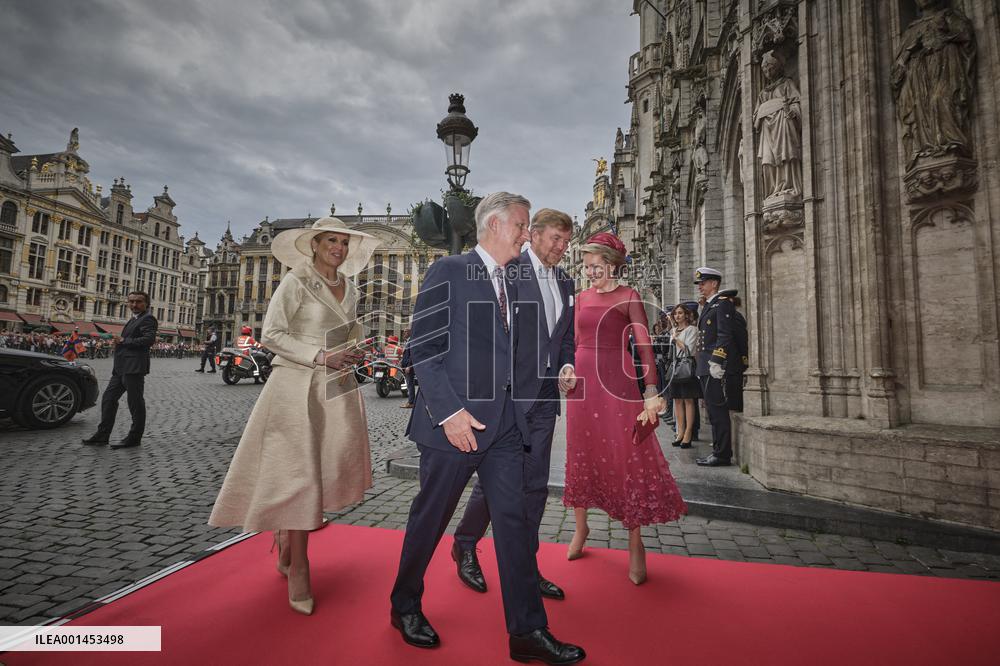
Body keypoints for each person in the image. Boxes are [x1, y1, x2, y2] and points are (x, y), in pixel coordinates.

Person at [390, 192, 585, 664]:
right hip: (453, 427)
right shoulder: (450, 270)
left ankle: (527, 631)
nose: (526, 234)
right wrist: (449, 413)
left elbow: (521, 354)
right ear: (495, 225)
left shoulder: (515, 283)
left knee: (513, 523)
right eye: (521, 225)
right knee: (431, 518)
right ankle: (404, 604)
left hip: (505, 428)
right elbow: (424, 348)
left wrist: (553, 377)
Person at [209, 217, 379, 616]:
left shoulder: (350, 286)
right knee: (298, 473)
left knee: (323, 466)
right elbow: (272, 334)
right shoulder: (296, 281)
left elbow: (347, 333)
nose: (338, 248)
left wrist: (355, 349)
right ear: (314, 244)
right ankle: (299, 566)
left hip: (336, 388)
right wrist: (319, 355)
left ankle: (286, 543)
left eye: (344, 242)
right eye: (331, 240)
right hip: (296, 387)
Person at [452, 207, 575, 603]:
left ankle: (526, 567)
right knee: (498, 481)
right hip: (510, 396)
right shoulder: (508, 272)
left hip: (545, 398)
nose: (561, 247)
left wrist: (567, 364)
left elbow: (564, 338)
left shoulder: (566, 282)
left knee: (535, 485)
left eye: (566, 241)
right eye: (555, 238)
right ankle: (465, 543)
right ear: (534, 235)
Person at [563, 233, 687, 585]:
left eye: (595, 266)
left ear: (613, 265)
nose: (589, 272)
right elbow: (572, 343)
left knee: (626, 456)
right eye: (586, 266)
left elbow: (644, 346)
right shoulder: (581, 298)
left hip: (617, 382)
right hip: (582, 385)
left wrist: (651, 391)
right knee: (582, 452)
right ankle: (581, 528)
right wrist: (565, 370)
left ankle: (635, 543)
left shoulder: (629, 296)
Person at [82, 291, 158, 449]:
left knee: (135, 403)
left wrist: (123, 340)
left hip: (134, 367)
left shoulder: (148, 318)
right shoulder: (133, 319)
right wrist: (120, 342)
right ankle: (103, 435)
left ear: (146, 304)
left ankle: (134, 438)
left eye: (138, 301)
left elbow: (148, 340)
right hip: (121, 368)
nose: (134, 304)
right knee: (108, 399)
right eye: (131, 301)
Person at [694, 267, 738, 467]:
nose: (700, 287)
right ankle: (718, 450)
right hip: (705, 364)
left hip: (713, 364)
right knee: (712, 409)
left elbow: (724, 335)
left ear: (714, 283)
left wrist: (717, 360)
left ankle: (722, 453)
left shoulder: (722, 304)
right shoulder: (710, 305)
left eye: (703, 283)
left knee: (717, 410)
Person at [666, 304, 702, 449]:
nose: (677, 316)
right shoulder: (673, 330)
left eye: (680, 313)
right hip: (675, 366)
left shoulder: (692, 329)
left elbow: (689, 349)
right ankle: (680, 432)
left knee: (688, 400)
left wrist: (676, 339)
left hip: (687, 366)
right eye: (675, 313)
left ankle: (688, 433)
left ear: (686, 315)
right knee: (677, 400)